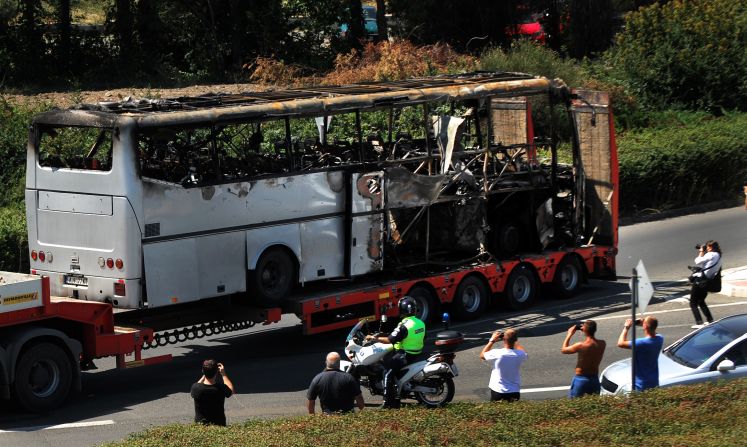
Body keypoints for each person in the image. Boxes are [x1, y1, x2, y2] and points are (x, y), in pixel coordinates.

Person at [366, 296, 426, 408]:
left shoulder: (404, 325)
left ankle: (388, 402)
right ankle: (397, 393)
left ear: (402, 309)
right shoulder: (420, 323)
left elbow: (390, 340)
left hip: (405, 354)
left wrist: (373, 338)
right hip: (416, 352)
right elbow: (414, 336)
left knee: (387, 373)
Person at [560, 320, 606, 398]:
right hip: (594, 379)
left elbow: (564, 350)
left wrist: (569, 334)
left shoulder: (581, 345)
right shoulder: (602, 344)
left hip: (581, 380)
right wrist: (585, 328)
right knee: (594, 404)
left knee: (574, 405)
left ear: (583, 329)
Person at [617, 316, 663, 391]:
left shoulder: (641, 343)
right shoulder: (660, 339)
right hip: (654, 381)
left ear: (645, 326)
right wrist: (644, 324)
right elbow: (654, 332)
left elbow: (620, 343)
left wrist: (626, 328)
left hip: (641, 384)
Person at [480, 328, 527, 402]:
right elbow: (523, 351)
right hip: (514, 392)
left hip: (498, 391)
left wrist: (492, 340)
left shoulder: (498, 353)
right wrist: (513, 340)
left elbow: (482, 355)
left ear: (504, 339)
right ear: (516, 339)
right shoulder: (520, 354)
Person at [190, 359, 234, 426]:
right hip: (219, 425)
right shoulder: (221, 387)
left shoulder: (196, 388)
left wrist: (205, 374)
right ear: (216, 372)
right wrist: (223, 374)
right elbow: (231, 390)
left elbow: (197, 384)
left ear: (202, 371)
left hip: (200, 425)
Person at [689, 240, 722, 328]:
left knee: (693, 303)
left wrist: (701, 252)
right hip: (707, 282)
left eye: (707, 247)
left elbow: (697, 261)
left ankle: (699, 323)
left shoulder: (710, 254)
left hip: (700, 281)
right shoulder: (719, 256)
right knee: (701, 301)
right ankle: (710, 320)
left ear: (710, 247)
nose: (706, 248)